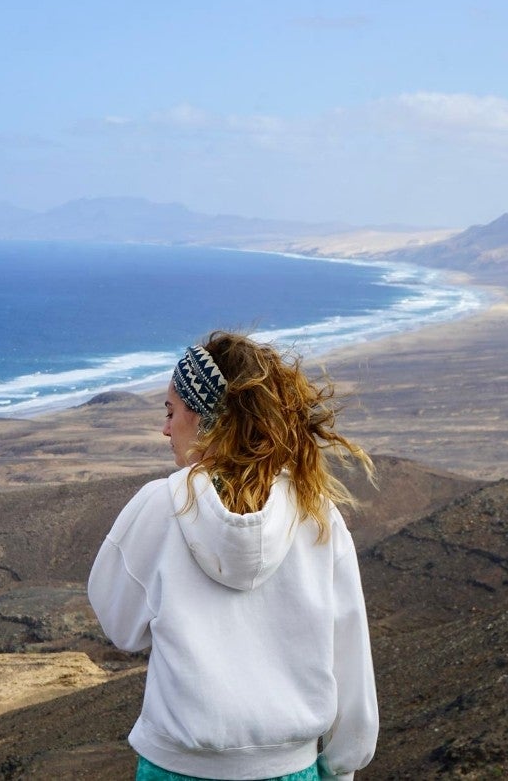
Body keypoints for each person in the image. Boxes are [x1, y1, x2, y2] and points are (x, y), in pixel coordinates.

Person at [88, 331, 379, 781]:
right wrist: (340, 769)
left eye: (171, 413)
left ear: (207, 420)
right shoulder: (317, 514)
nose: (166, 429)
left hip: (175, 770)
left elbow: (121, 627)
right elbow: (350, 655)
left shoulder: (161, 505)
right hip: (291, 771)